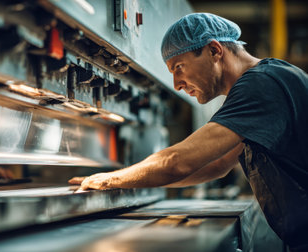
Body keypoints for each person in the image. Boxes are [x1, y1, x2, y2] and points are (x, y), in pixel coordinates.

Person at [69, 13, 308, 251]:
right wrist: (136, 182)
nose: (177, 84)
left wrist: (110, 178)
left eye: (179, 67)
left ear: (214, 51)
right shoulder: (268, 78)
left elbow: (177, 162)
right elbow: (217, 164)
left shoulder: (261, 85)